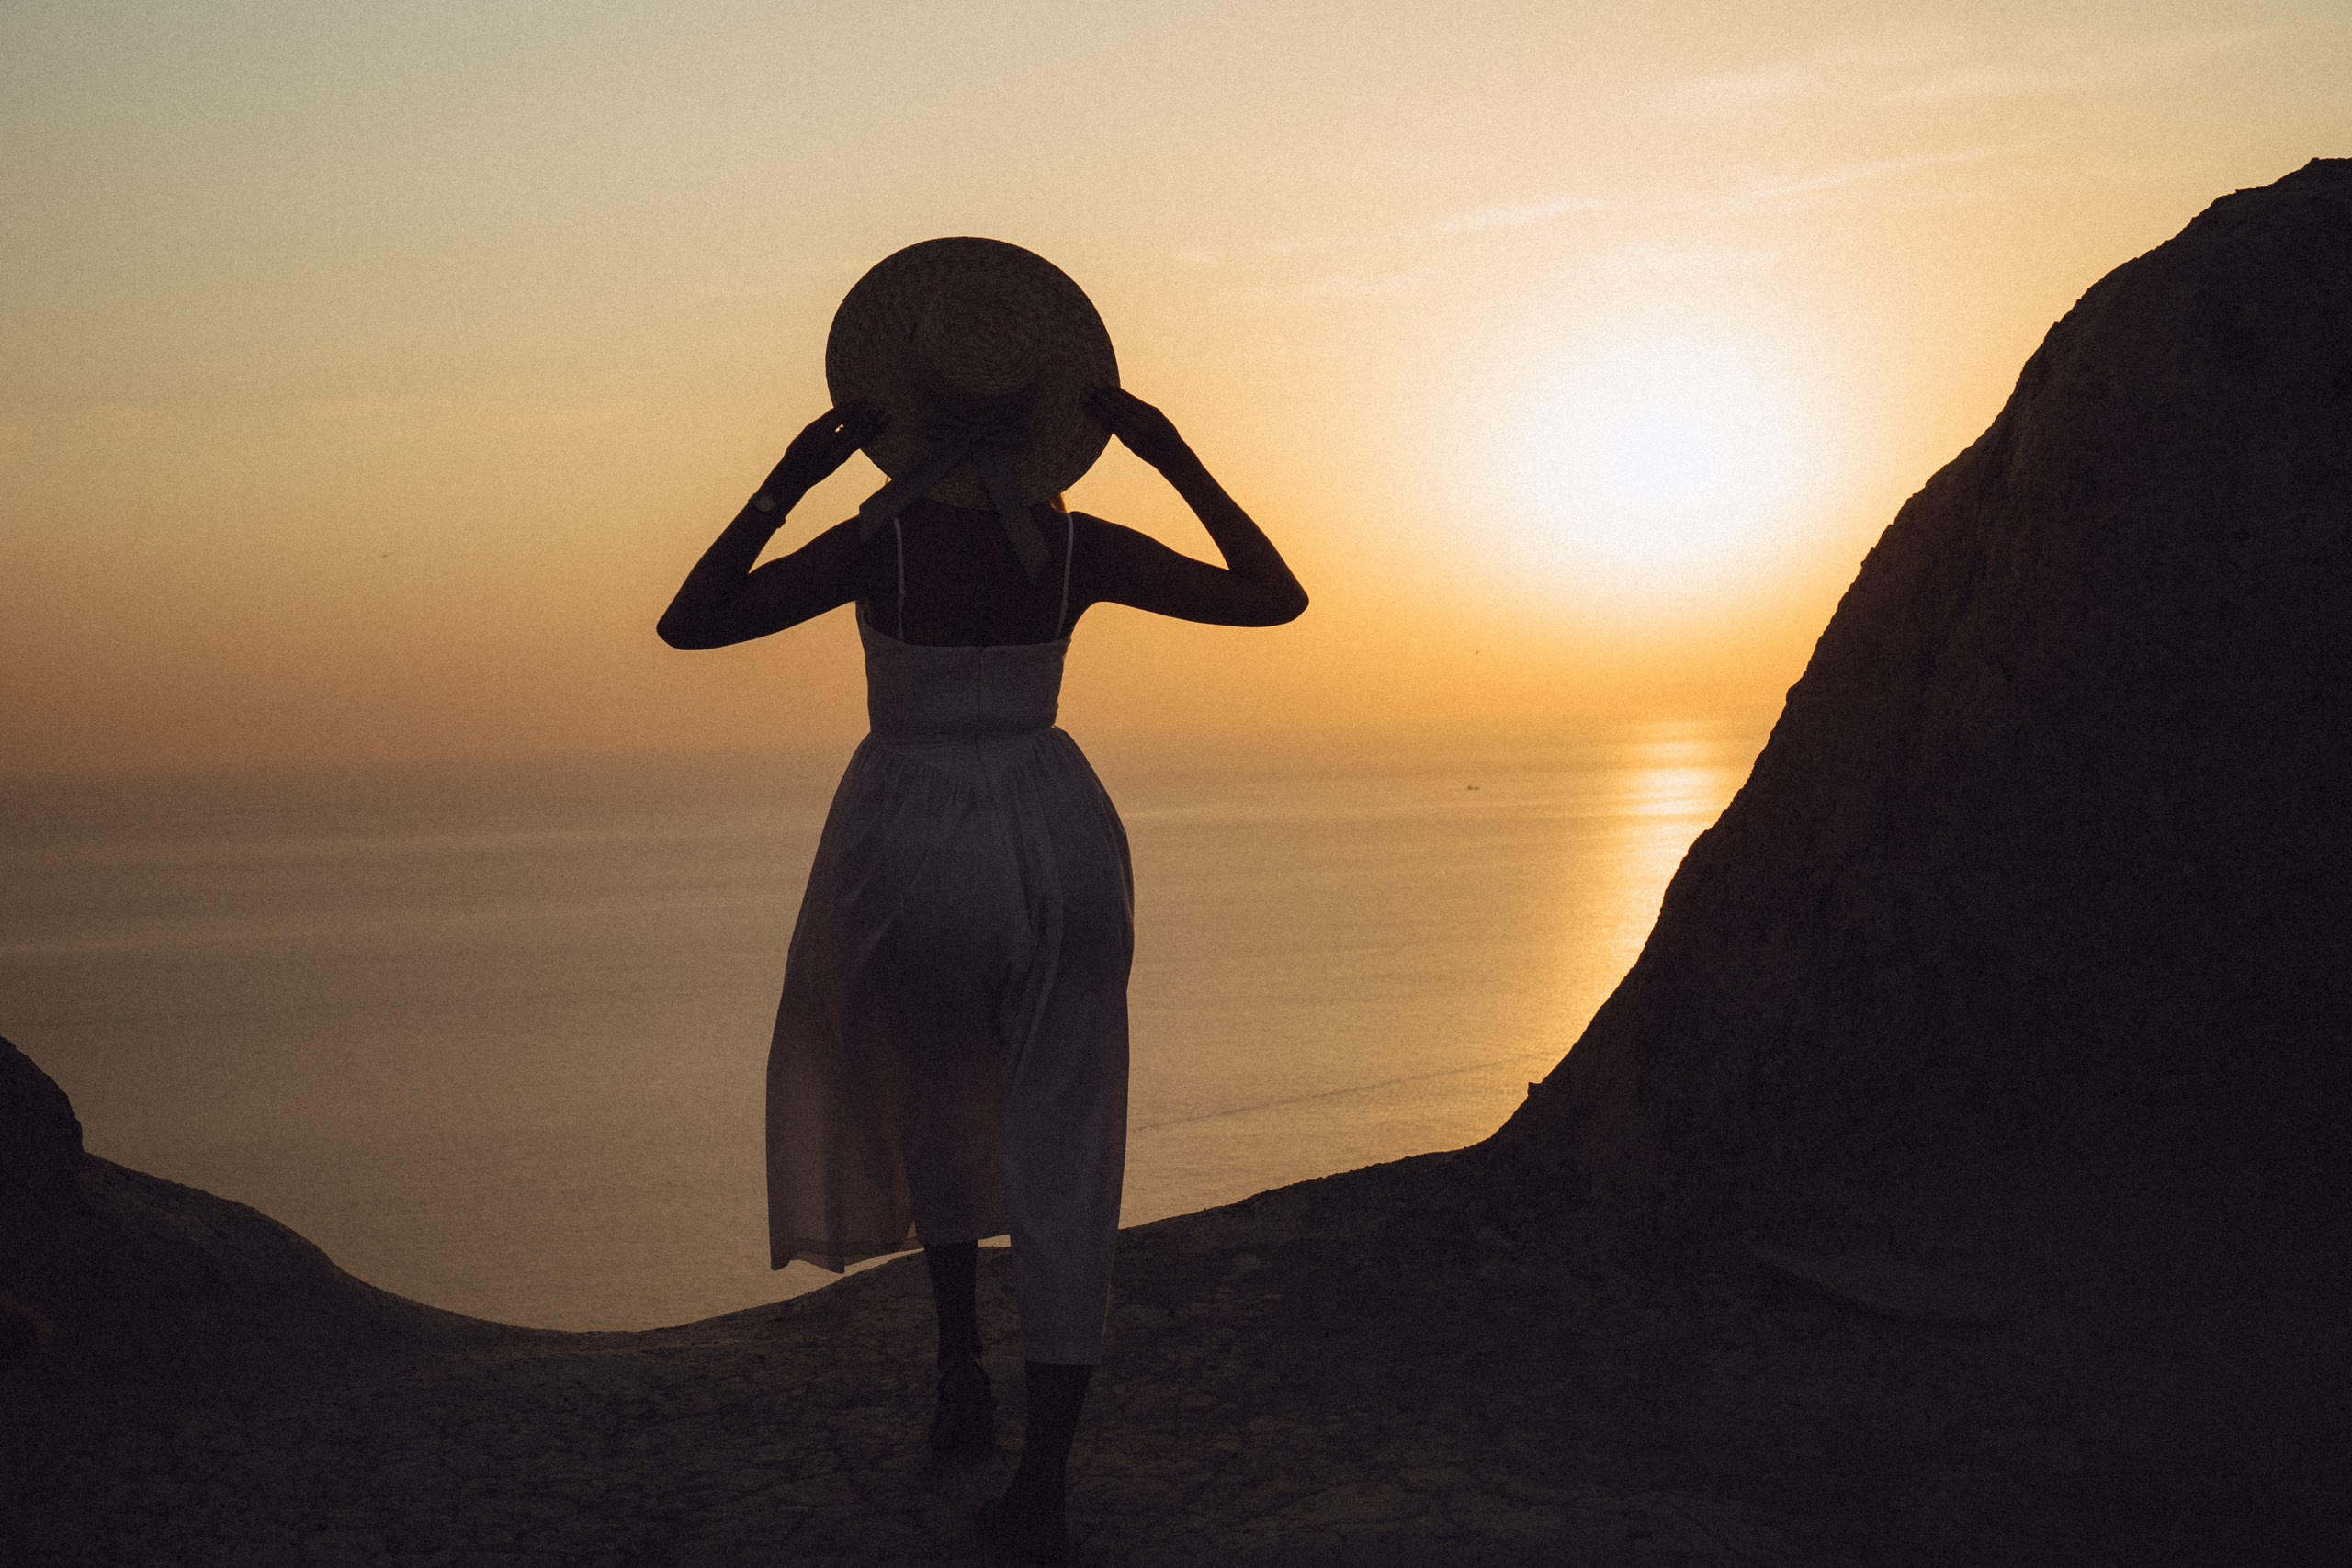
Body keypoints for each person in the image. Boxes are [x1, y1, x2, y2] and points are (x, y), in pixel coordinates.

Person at [657, 238, 1306, 1562]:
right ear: (1049, 416)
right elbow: (1271, 596)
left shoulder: (875, 546)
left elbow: (692, 620)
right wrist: (1171, 455)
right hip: (1054, 834)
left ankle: (958, 1369)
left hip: (903, 837)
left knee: (933, 1101)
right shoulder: (1078, 547)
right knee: (1068, 1138)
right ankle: (1044, 1479)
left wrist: (789, 478)